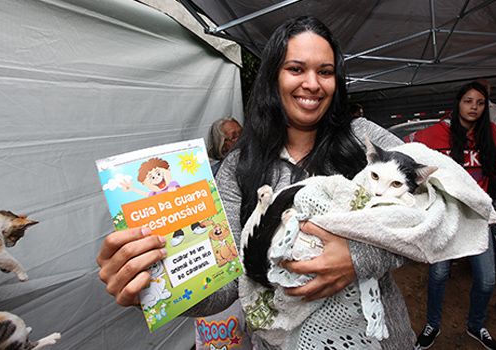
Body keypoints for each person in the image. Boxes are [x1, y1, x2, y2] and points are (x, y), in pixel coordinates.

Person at [96, 16, 416, 349]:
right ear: (273, 78)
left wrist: (359, 257)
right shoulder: (239, 167)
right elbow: (224, 287)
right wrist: (153, 287)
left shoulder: (366, 141)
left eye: (325, 71)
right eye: (295, 69)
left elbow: (445, 213)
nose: (312, 84)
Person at [412, 82, 496, 350]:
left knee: (487, 279)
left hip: (477, 217)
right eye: (468, 101)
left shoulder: (490, 133)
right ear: (458, 103)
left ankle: (476, 325)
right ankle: (432, 324)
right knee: (439, 274)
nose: (474, 108)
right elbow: (411, 150)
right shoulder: (437, 134)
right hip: (447, 215)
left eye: (480, 103)